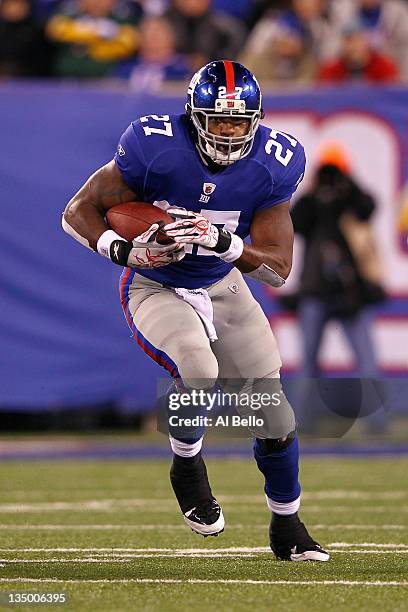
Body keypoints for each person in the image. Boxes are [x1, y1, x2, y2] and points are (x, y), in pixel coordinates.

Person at [62, 60, 329, 562]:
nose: (228, 133)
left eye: (238, 122)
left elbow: (277, 268)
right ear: (193, 116)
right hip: (155, 283)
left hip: (222, 282)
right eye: (218, 120)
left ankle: (287, 526)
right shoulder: (155, 146)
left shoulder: (275, 162)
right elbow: (78, 210)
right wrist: (125, 251)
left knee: (274, 413)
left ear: (257, 119)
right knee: (199, 366)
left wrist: (225, 243)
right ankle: (187, 465)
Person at [318, 19, 399, 84]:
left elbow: (392, 97)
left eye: (358, 40)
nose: (353, 46)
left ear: (367, 41)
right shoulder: (331, 70)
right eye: (348, 40)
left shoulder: (384, 67)